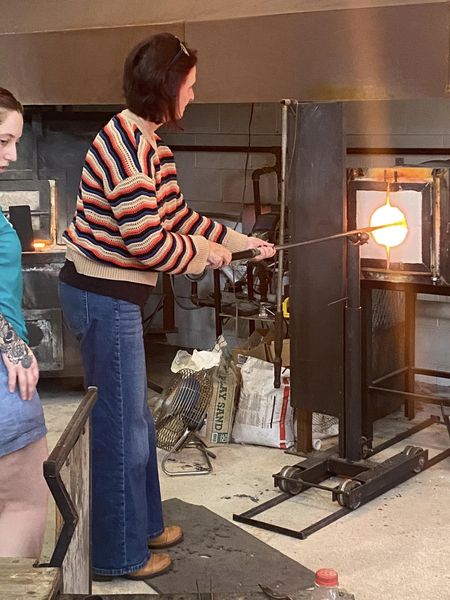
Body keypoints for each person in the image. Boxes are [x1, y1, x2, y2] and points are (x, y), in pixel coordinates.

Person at [58, 32, 275, 581]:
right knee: (120, 427)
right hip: (102, 295)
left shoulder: (153, 147)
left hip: (116, 296)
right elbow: (147, 244)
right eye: (190, 85)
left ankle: (143, 526)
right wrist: (204, 257)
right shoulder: (126, 150)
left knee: (135, 421)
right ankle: (117, 554)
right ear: (165, 86)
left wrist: (239, 241)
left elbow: (176, 219)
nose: (195, 95)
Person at [0, 87, 48, 558]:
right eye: (2, 141)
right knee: (22, 504)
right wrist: (11, 342)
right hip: (3, 377)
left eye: (15, 142)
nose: (12, 155)